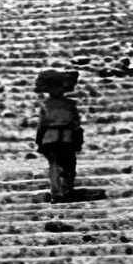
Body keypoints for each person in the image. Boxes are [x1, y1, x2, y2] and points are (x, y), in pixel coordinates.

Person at [34, 67, 83, 203]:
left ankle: (57, 192)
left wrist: (39, 140)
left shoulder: (46, 105)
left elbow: (41, 125)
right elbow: (76, 123)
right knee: (66, 165)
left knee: (56, 165)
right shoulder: (69, 104)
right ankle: (64, 190)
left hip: (52, 138)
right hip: (65, 138)